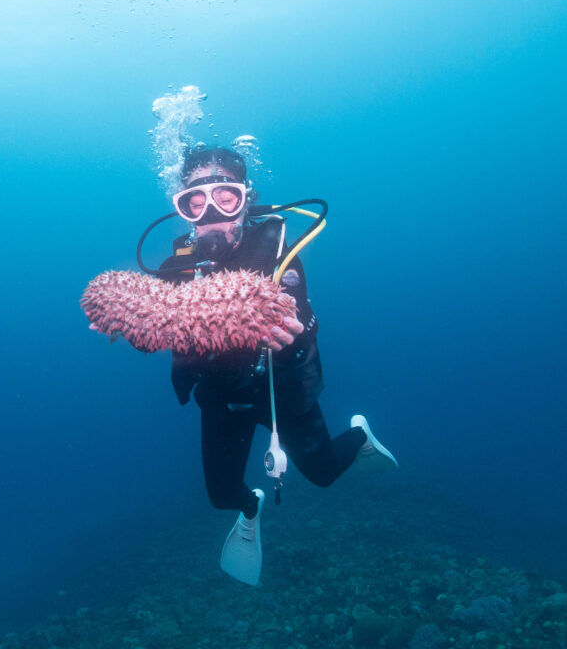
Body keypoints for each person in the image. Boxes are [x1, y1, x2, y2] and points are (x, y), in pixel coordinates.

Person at [158, 145, 397, 586]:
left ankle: (360, 434)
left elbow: (300, 310)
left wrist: (297, 328)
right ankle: (252, 508)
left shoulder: (279, 254)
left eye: (225, 198)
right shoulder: (177, 269)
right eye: (196, 201)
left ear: (245, 200)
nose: (212, 212)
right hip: (224, 399)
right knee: (220, 496)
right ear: (184, 209)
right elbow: (150, 322)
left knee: (323, 474)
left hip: (280, 391)